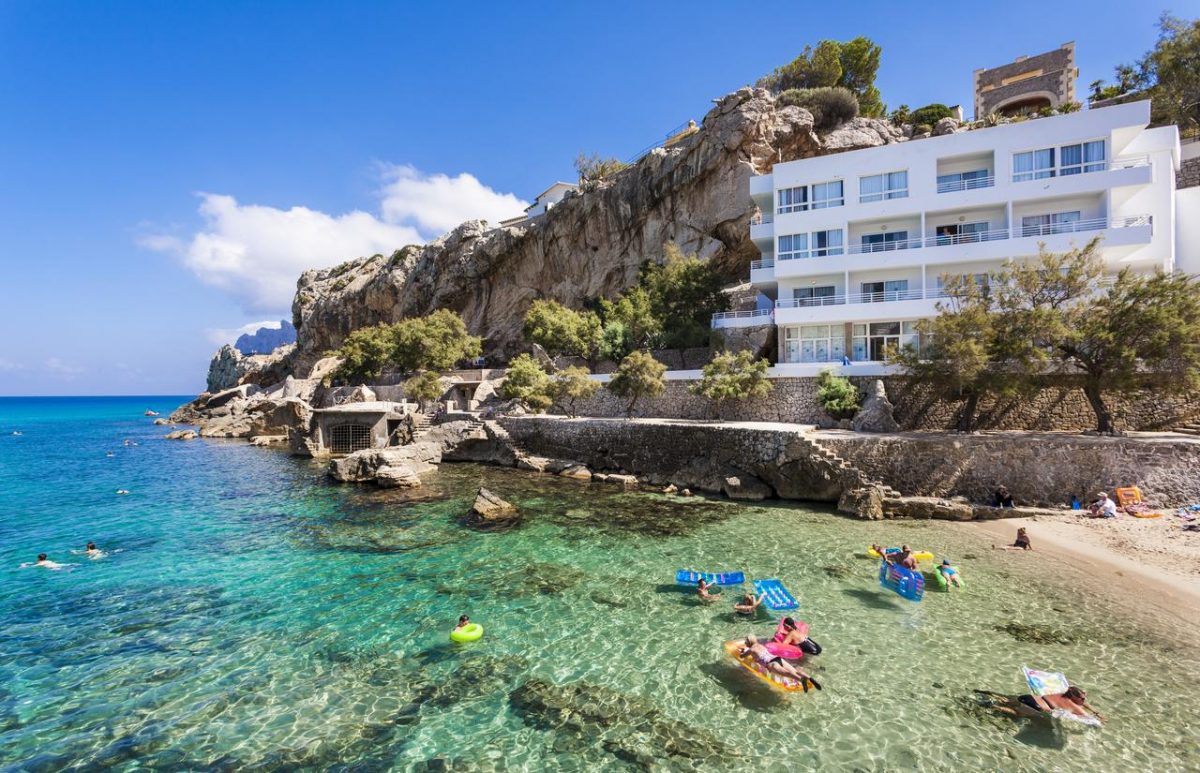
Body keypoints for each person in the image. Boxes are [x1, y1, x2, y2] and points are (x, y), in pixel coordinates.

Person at [978, 686, 1103, 723]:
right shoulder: (1072, 705)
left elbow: (1082, 702)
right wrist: (1098, 718)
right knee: (1018, 713)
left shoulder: (1063, 692)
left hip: (1028, 697)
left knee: (1007, 701)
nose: (1084, 701)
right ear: (1074, 698)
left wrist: (1094, 710)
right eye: (1082, 698)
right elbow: (1088, 718)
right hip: (1034, 706)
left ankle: (992, 696)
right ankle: (992, 706)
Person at [739, 635, 821, 690]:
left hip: (771, 663)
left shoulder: (751, 649)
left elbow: (742, 656)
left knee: (787, 673)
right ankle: (809, 678)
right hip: (777, 658)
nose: (745, 643)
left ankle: (801, 679)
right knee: (794, 671)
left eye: (746, 642)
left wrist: (742, 651)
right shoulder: (761, 645)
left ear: (749, 642)